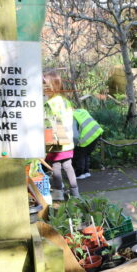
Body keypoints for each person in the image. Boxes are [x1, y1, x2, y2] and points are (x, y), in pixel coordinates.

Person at [43, 70, 79, 201]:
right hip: (68, 140)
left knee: (56, 167)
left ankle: (58, 194)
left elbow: (48, 125)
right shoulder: (65, 101)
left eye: (44, 85)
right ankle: (75, 193)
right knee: (68, 166)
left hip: (56, 141)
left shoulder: (49, 104)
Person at [72, 107, 104, 179]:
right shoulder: (82, 110)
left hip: (87, 135)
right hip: (96, 132)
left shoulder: (72, 116)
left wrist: (74, 144)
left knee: (80, 154)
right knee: (87, 154)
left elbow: (75, 135)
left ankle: (79, 174)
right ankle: (86, 172)